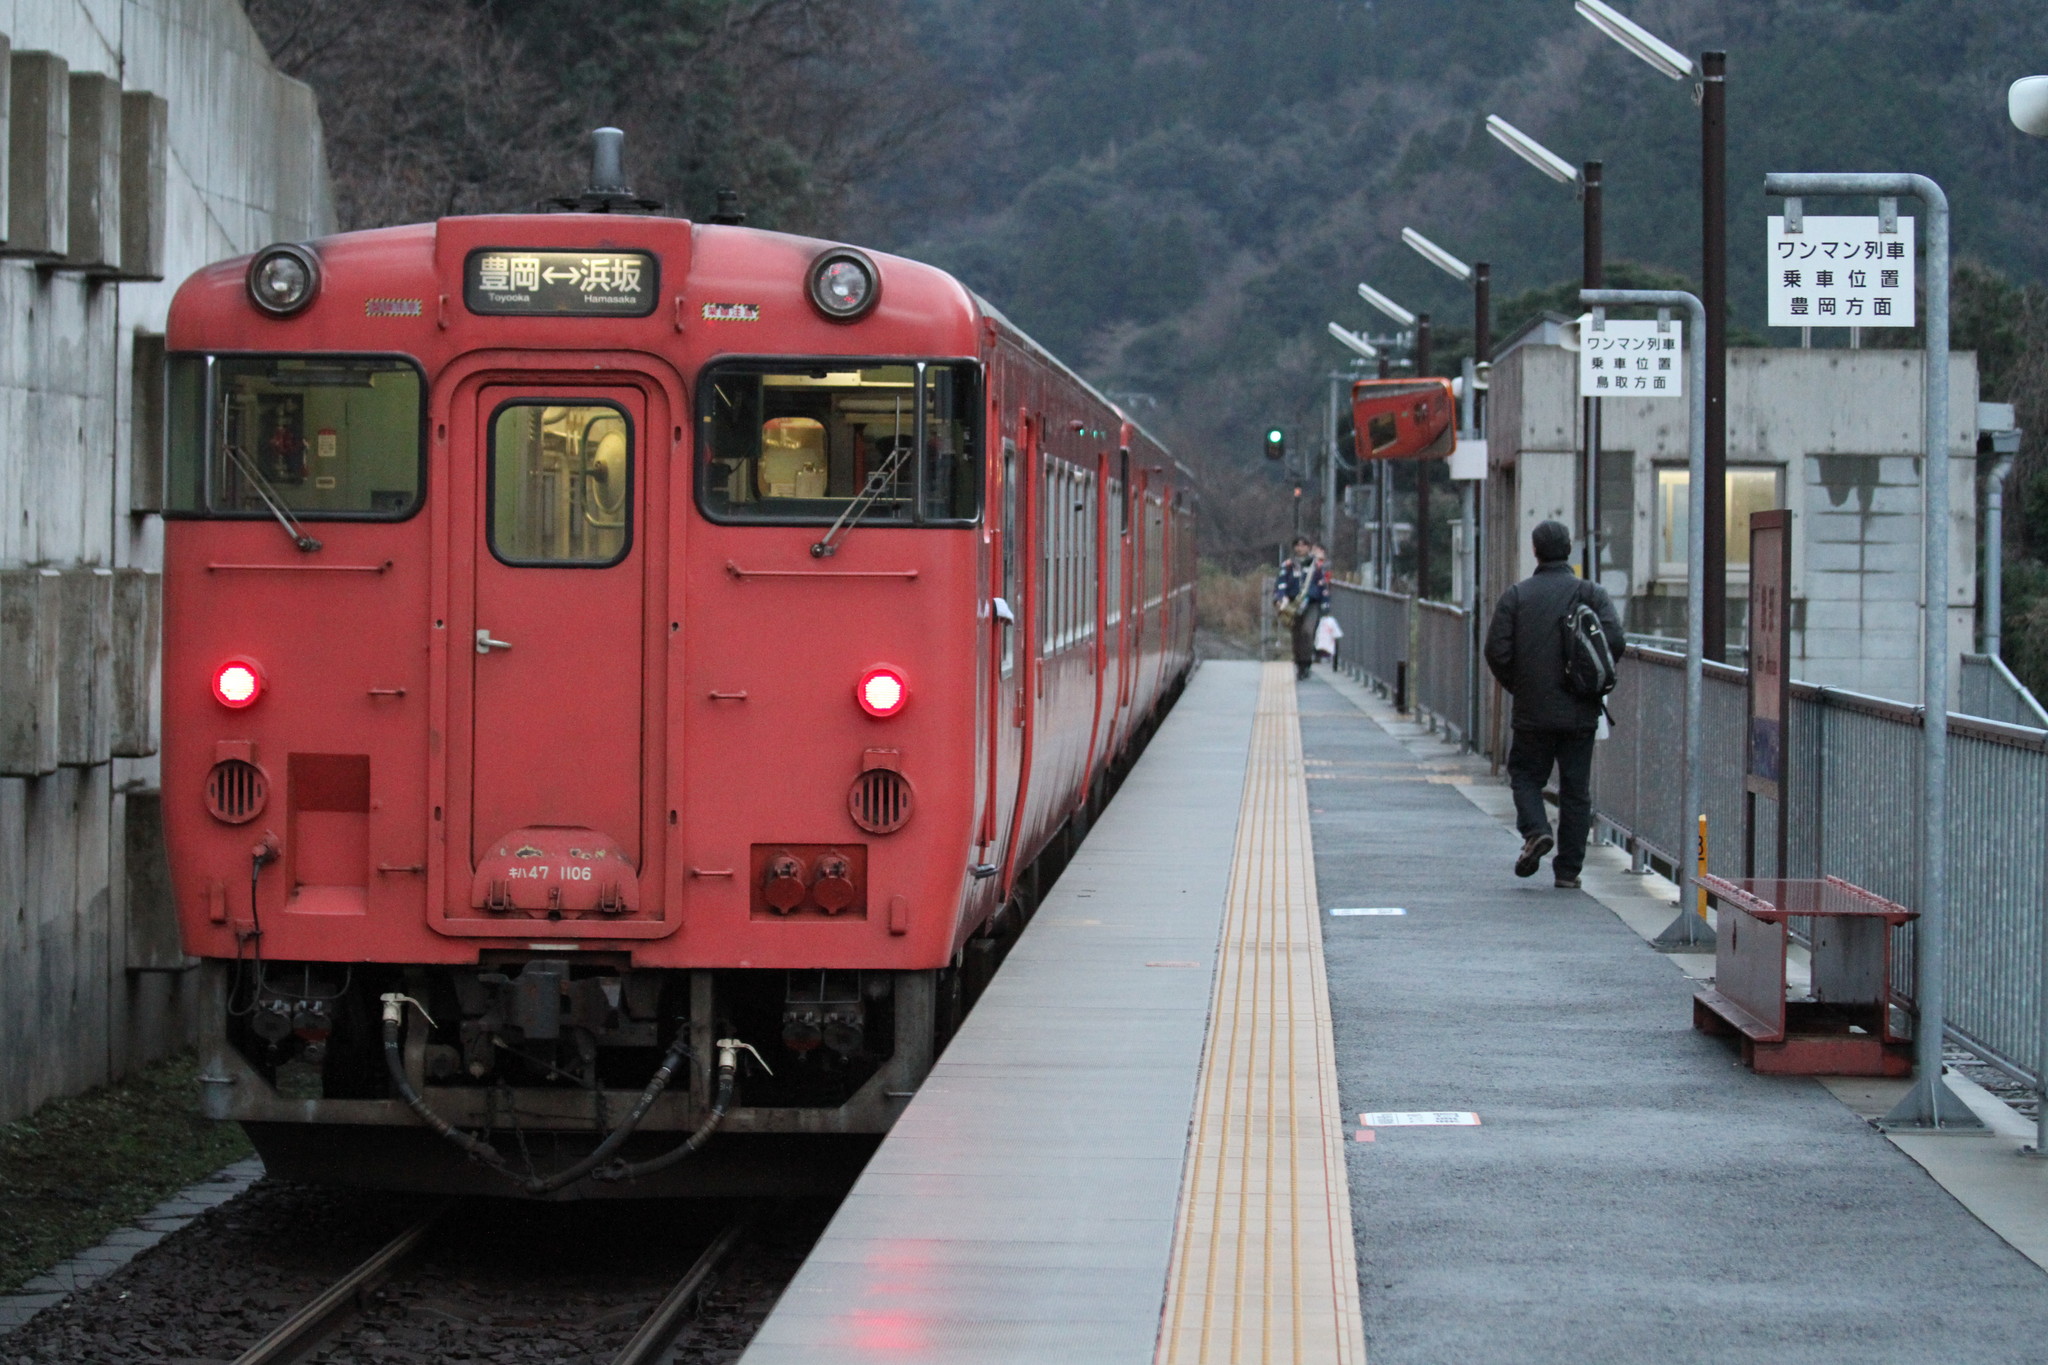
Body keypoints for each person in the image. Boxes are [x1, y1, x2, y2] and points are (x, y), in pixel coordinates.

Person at [1483, 520, 1623, 889]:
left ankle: (1536, 830)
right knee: (1576, 790)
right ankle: (1568, 872)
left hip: (1532, 709)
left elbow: (1496, 650)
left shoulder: (1517, 596)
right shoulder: (1590, 594)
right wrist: (1587, 680)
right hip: (1581, 708)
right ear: (1568, 550)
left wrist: (1519, 685)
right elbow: (1615, 640)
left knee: (1526, 775)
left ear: (1535, 551)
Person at [1275, 536, 1330, 680]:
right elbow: (1281, 583)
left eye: (1304, 545)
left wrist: (1325, 604)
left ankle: (1306, 662)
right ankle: (1299, 663)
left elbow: (1322, 585)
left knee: (1307, 631)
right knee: (1296, 634)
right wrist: (1280, 598)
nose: (1300, 548)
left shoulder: (1316, 566)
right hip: (1294, 604)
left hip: (1312, 603)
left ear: (1308, 547)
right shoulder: (1288, 565)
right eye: (1298, 545)